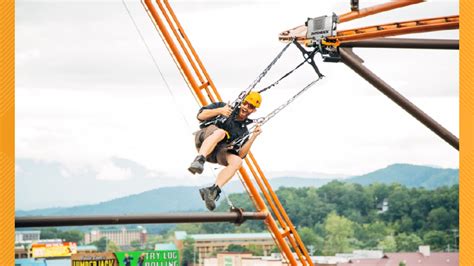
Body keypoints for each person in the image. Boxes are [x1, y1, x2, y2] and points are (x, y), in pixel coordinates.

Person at [188, 91, 263, 211]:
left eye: (251, 107)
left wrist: (254, 136)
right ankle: (199, 160)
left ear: (253, 111)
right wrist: (220, 111)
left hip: (216, 153)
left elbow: (241, 154)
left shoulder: (243, 131)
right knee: (221, 132)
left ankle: (213, 191)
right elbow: (200, 116)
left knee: (237, 161)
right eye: (246, 104)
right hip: (204, 139)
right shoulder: (224, 107)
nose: (246, 108)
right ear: (242, 102)